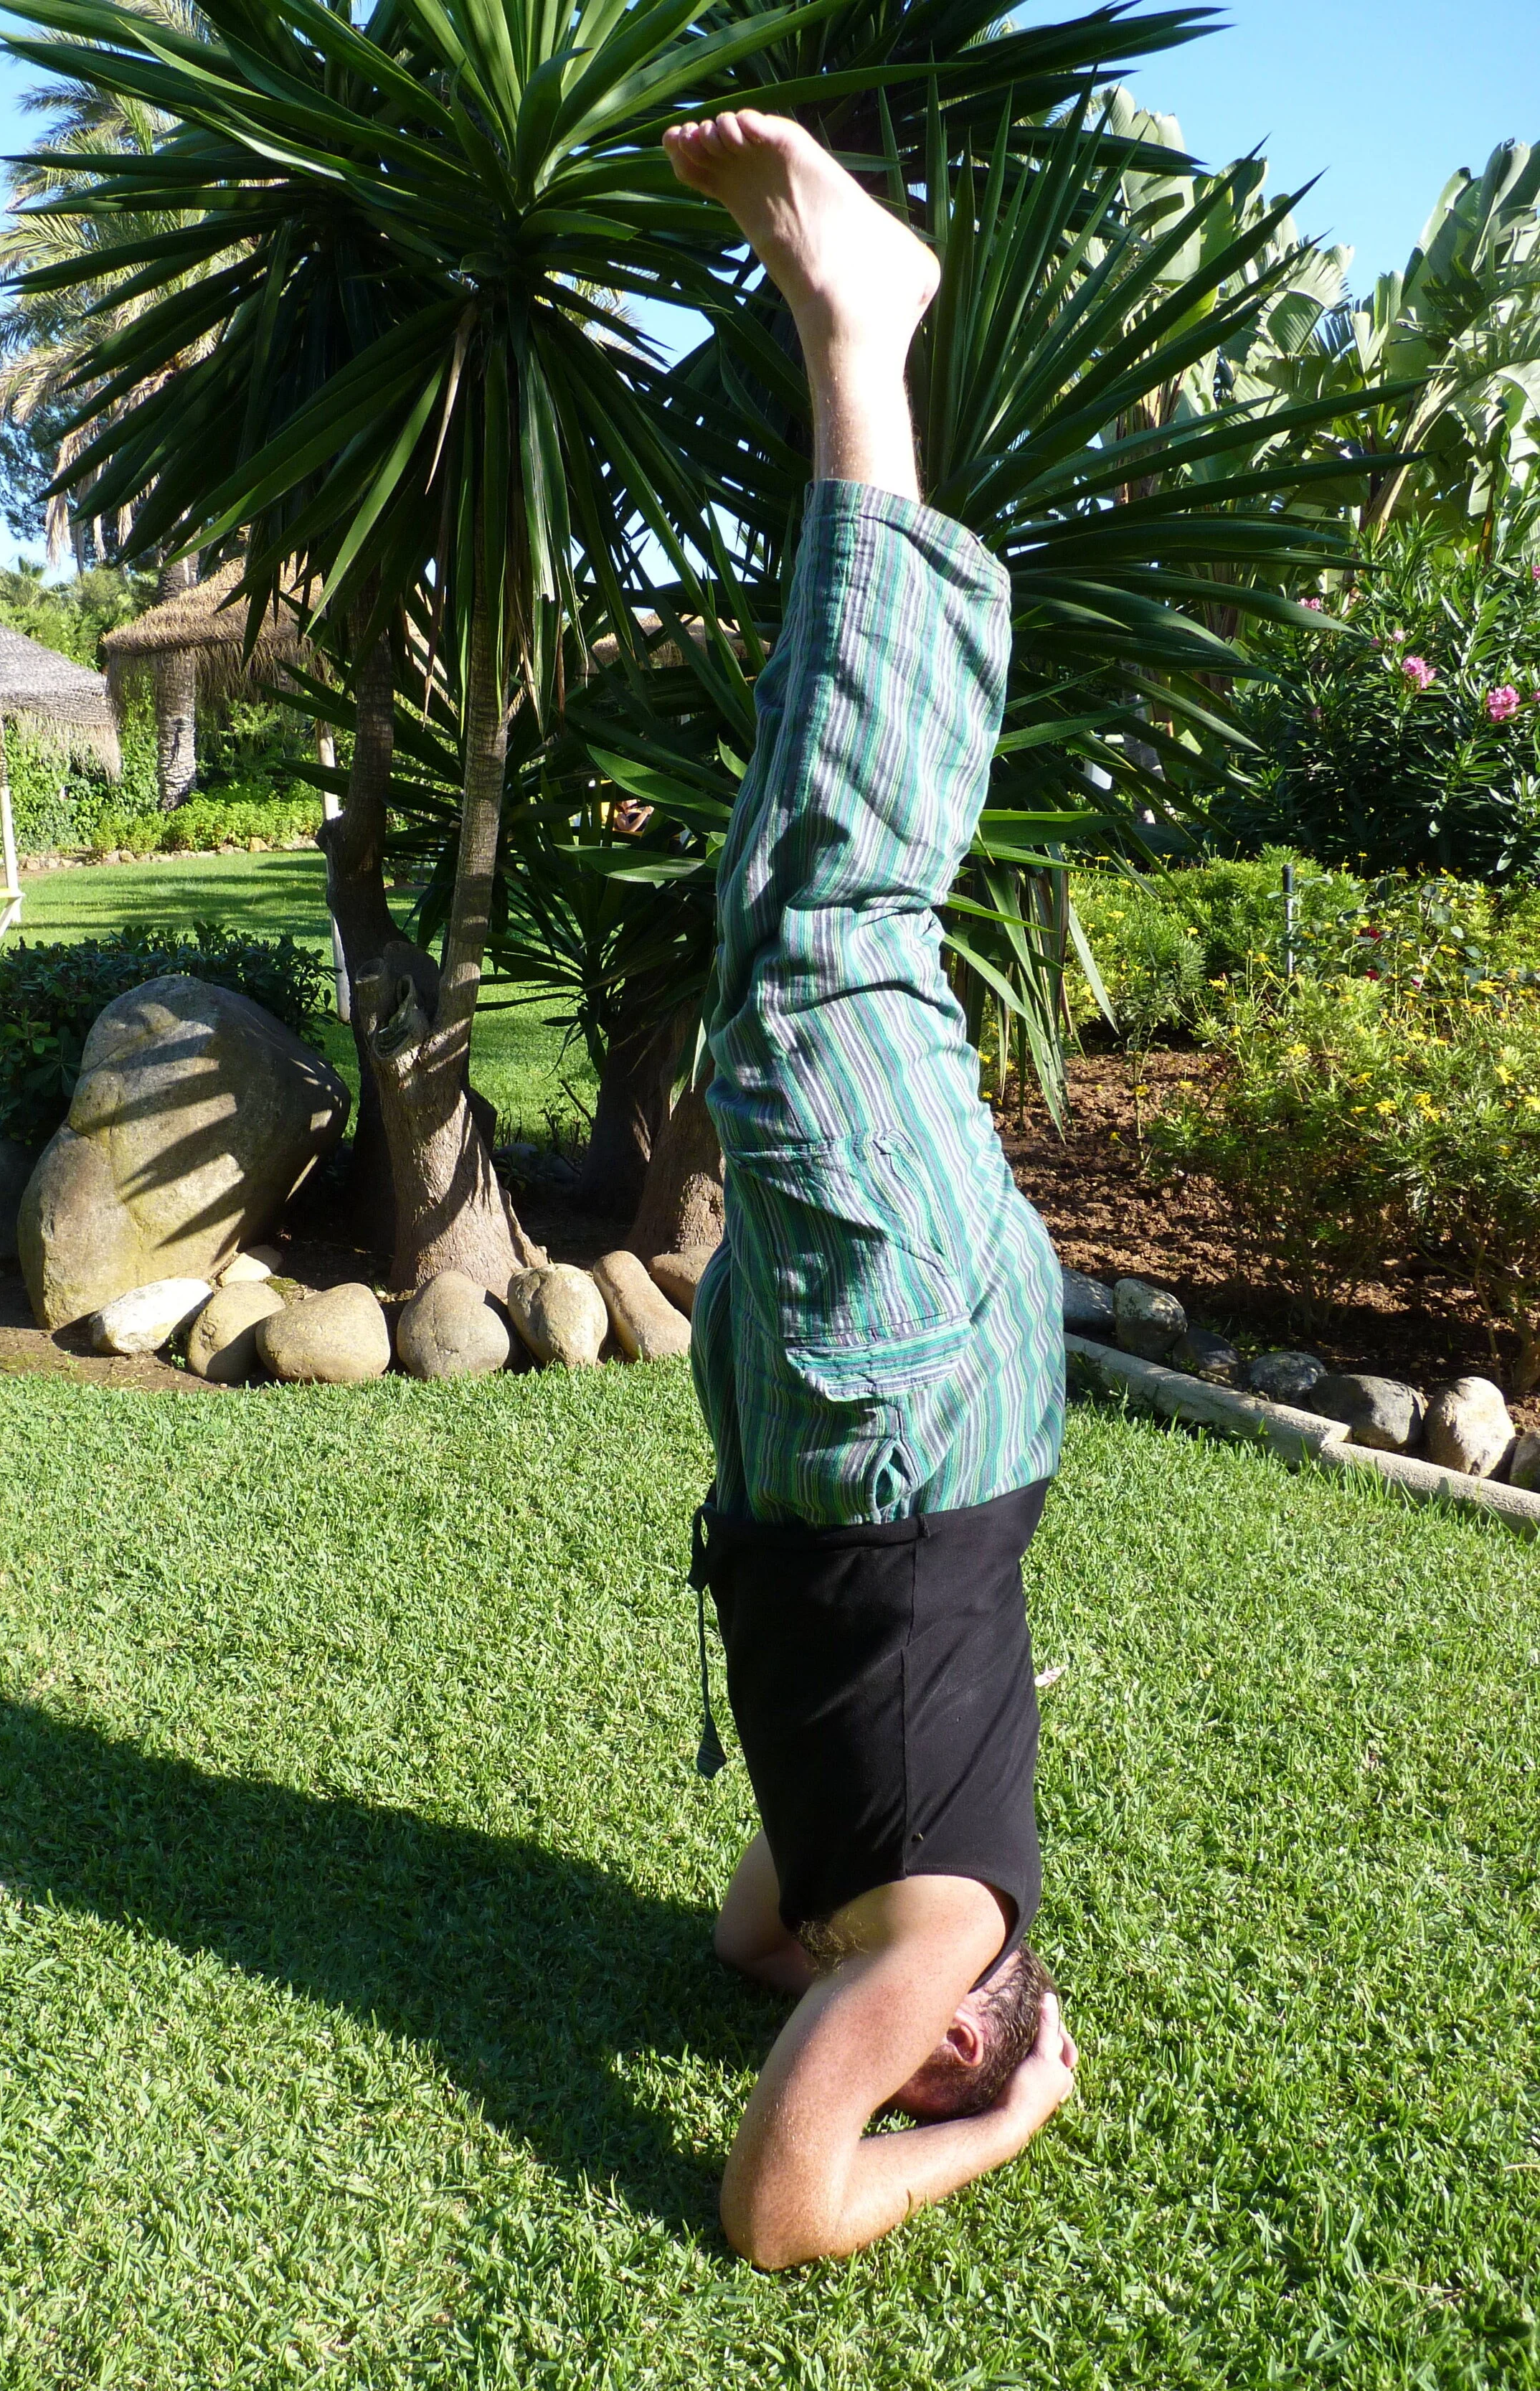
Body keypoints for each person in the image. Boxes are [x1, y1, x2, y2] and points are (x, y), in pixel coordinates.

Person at [661, 108, 1079, 2273]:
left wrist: (844, 1954)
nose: (858, 2016)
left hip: (867, 1416)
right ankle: (865, 324)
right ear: (958, 2019)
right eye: (906, 2030)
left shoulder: (863, 1904)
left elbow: (755, 1943)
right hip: (902, 1408)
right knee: (825, 924)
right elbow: (780, 2208)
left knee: (781, 921)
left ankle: (852, 342)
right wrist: (1003, 2111)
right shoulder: (942, 1934)